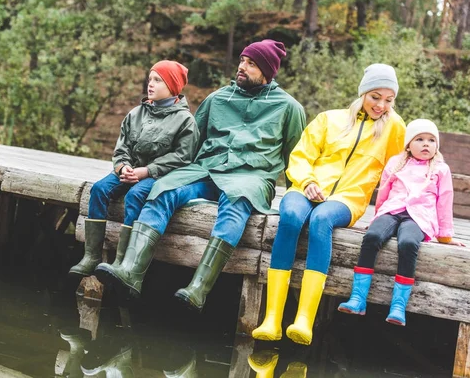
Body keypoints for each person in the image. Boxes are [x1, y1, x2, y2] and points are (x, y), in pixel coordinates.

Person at [94, 39, 306, 310]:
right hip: (205, 170)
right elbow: (192, 145)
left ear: (267, 70)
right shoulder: (217, 99)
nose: (242, 67)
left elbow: (296, 160)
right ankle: (131, 273)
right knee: (164, 189)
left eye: (251, 64)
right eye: (242, 60)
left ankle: (198, 288)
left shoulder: (289, 108)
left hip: (250, 178)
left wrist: (298, 199)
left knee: (235, 203)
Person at [252, 64, 407, 346]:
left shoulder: (394, 127)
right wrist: (308, 181)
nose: (381, 105)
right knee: (290, 216)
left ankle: (304, 320)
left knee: (321, 220)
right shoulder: (328, 119)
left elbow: (402, 168)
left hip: (347, 199)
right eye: (375, 96)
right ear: (362, 93)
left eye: (389, 99)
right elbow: (300, 156)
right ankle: (272, 319)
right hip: (306, 187)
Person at [69, 60, 199, 277]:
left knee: (135, 195)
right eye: (150, 79)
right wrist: (123, 168)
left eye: (158, 80)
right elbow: (122, 148)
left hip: (159, 175)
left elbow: (183, 157)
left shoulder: (185, 121)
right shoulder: (136, 113)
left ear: (172, 86)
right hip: (130, 170)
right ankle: (91, 257)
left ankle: (122, 261)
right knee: (99, 189)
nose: (151, 84)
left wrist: (147, 171)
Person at [338, 119, 464, 325]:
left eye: (431, 140)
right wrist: (377, 218)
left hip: (419, 217)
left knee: (407, 243)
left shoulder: (440, 169)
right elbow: (384, 193)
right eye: (420, 139)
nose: (426, 144)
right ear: (408, 144)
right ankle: (358, 299)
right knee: (373, 237)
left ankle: (398, 306)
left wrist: (445, 236)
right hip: (392, 210)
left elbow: (445, 201)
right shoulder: (397, 163)